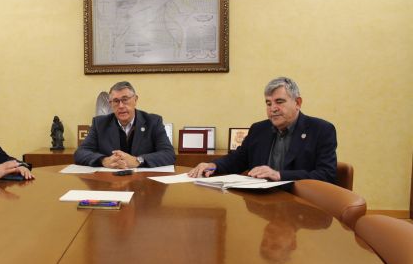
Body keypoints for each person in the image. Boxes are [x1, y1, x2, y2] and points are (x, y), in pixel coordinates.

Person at [189, 77, 337, 183]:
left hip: (301, 206)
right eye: (268, 103)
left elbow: (327, 174)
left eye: (279, 102)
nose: (273, 108)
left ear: (297, 103)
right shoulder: (259, 129)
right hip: (261, 204)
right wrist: (213, 165)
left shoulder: (321, 130)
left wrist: (279, 175)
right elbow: (238, 159)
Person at [74, 81, 175, 168]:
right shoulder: (99, 124)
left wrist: (138, 160)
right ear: (110, 104)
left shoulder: (153, 122)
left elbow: (169, 154)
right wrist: (104, 161)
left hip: (143, 181)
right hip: (110, 180)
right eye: (116, 101)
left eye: (125, 99)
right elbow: (80, 153)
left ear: (135, 100)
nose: (121, 106)